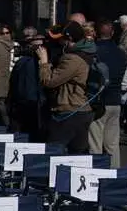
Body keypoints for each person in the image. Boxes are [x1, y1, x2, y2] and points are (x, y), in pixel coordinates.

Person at [39, 21, 93, 154]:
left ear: (70, 39)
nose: (58, 43)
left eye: (61, 39)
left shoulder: (73, 59)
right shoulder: (85, 52)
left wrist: (44, 62)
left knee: (52, 152)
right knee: (77, 155)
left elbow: (49, 81)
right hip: (79, 110)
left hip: (71, 111)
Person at [88, 21, 127, 167]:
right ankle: (114, 173)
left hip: (97, 101)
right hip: (115, 100)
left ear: (96, 33)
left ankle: (96, 173)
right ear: (112, 33)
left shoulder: (93, 51)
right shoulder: (122, 54)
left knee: (95, 144)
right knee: (113, 144)